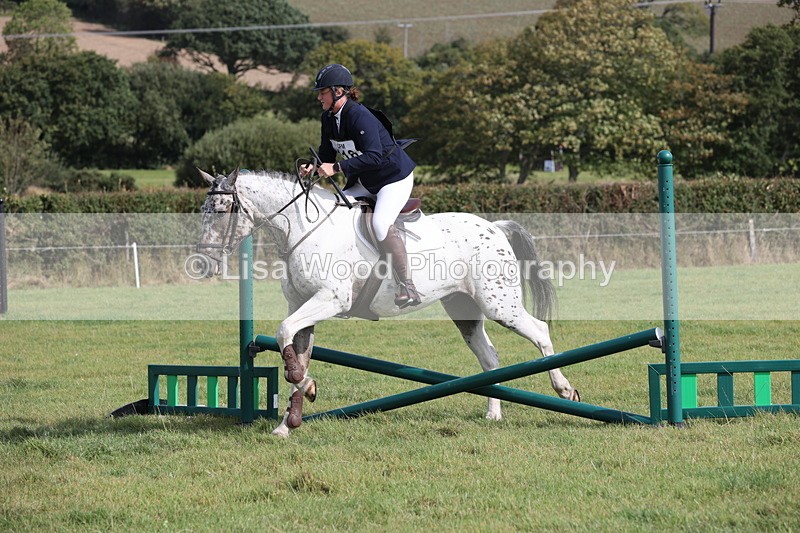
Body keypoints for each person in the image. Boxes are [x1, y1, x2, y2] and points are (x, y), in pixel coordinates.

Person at [300, 63, 420, 308]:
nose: (318, 97)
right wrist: (314, 166)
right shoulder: (329, 118)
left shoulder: (358, 115)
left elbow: (374, 155)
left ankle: (408, 285)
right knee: (334, 212)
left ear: (338, 91)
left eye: (321, 92)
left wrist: (336, 169)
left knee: (379, 223)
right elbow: (327, 153)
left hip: (392, 178)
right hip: (365, 181)